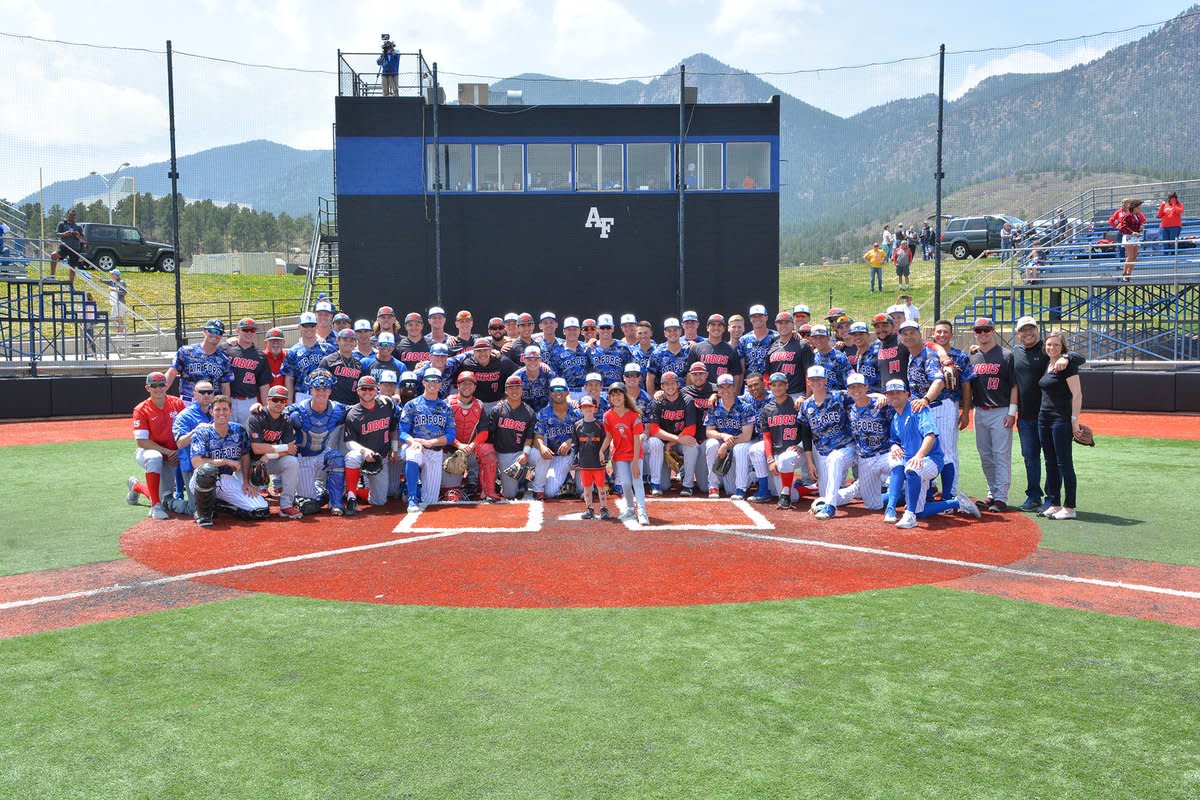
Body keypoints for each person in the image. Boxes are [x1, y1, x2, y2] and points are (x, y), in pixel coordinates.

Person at [883, 379, 981, 529]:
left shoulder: (918, 409)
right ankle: (958, 502)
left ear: (906, 394)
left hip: (931, 460)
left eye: (898, 392)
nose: (894, 396)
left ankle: (909, 516)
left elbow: (930, 435)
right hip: (916, 464)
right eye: (890, 393)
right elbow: (895, 439)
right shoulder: (896, 418)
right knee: (920, 511)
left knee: (911, 469)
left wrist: (919, 455)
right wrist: (895, 445)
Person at [1010, 315, 1084, 512]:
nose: (1028, 333)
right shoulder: (1015, 352)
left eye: (1031, 329)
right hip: (1027, 416)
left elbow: (1079, 358)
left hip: (1052, 416)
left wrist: (1067, 357)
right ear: (1018, 334)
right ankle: (1034, 496)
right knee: (1031, 457)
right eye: (1023, 330)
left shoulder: (1048, 349)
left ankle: (1054, 499)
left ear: (1037, 330)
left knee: (1055, 459)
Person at [188, 394, 269, 527]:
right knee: (208, 469)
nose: (221, 413)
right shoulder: (202, 432)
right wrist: (225, 461)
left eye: (225, 409)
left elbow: (245, 455)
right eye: (218, 409)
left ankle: (222, 505)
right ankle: (204, 514)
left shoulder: (239, 430)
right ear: (211, 411)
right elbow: (197, 463)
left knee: (260, 510)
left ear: (231, 411)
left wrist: (245, 482)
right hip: (201, 480)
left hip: (224, 479)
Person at [967, 318, 1015, 512]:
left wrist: (1012, 411)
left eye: (986, 330)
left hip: (1001, 409)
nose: (982, 333)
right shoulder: (973, 356)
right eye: (979, 330)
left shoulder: (1006, 355)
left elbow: (1014, 385)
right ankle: (991, 493)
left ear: (993, 331)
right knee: (985, 455)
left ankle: (1001, 497)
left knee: (1001, 455)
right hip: (980, 410)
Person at [287, 369, 349, 516]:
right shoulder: (297, 410)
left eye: (325, 389)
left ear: (330, 390)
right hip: (303, 458)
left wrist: (383, 400)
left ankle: (336, 503)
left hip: (322, 453)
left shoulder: (338, 409)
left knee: (337, 457)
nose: (321, 392)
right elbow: (274, 415)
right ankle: (319, 492)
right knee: (311, 503)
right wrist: (259, 409)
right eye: (317, 389)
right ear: (310, 389)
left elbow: (360, 411)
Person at [126, 371, 186, 520]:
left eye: (161, 385)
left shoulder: (178, 403)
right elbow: (142, 442)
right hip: (149, 452)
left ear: (166, 386)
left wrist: (178, 452)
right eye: (154, 386)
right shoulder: (141, 409)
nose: (158, 389)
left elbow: (186, 430)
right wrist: (169, 452)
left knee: (163, 495)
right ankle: (155, 507)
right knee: (154, 457)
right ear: (147, 388)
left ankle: (135, 486)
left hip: (172, 454)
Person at [799, 365, 855, 520]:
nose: (816, 382)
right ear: (808, 382)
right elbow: (806, 435)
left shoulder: (840, 396)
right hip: (822, 453)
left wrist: (880, 396)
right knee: (825, 495)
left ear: (825, 380)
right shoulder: (806, 405)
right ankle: (855, 489)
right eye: (812, 379)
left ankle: (830, 508)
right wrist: (810, 462)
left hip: (846, 448)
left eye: (819, 379)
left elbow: (862, 396)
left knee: (835, 458)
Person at [1038, 332, 1083, 520]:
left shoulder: (1067, 365)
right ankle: (1055, 503)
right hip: (1044, 418)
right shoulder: (1047, 364)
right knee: (1050, 462)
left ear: (1062, 347)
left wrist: (1074, 421)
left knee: (1064, 463)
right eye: (1049, 344)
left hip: (1061, 420)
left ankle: (1070, 507)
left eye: (1056, 345)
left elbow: (1078, 395)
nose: (1051, 348)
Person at [747, 372, 810, 508]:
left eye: (780, 384)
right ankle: (810, 489)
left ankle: (786, 496)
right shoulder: (767, 409)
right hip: (777, 453)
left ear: (787, 385)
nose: (777, 388)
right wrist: (770, 460)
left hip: (795, 452)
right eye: (774, 385)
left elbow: (806, 431)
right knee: (778, 491)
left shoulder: (796, 404)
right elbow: (767, 437)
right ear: (770, 387)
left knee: (785, 460)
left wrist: (800, 445)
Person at [399, 369, 456, 513]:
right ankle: (412, 497)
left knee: (430, 500)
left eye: (436, 380)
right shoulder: (412, 404)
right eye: (429, 380)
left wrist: (431, 443)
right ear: (423, 382)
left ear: (440, 384)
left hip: (434, 449)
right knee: (413, 453)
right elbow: (402, 432)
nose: (432, 383)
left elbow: (450, 435)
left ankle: (414, 489)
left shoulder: (446, 407)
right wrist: (413, 441)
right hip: (416, 446)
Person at [342, 374, 398, 513]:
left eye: (371, 389)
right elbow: (349, 442)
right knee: (352, 456)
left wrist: (394, 448)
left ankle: (357, 490)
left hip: (380, 457)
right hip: (363, 456)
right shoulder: (353, 414)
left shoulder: (387, 405)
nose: (367, 392)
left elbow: (393, 429)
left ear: (377, 390)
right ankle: (351, 497)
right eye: (364, 389)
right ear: (358, 390)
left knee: (379, 501)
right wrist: (364, 451)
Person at [247, 385, 303, 519]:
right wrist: (281, 449)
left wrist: (268, 455)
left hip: (266, 461)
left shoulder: (286, 419)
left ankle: (286, 506)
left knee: (292, 462)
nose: (278, 403)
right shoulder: (257, 416)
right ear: (267, 400)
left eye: (282, 400)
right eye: (275, 399)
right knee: (253, 508)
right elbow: (256, 448)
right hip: (248, 463)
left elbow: (291, 449)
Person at [645, 371, 700, 496]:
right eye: (666, 384)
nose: (670, 386)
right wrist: (671, 442)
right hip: (663, 444)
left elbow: (691, 429)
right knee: (653, 442)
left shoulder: (687, 400)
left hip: (679, 441)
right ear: (662, 386)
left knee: (692, 445)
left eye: (673, 383)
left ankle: (687, 485)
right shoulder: (657, 401)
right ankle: (656, 484)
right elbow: (653, 430)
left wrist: (672, 443)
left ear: (678, 384)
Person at [602, 381, 649, 525]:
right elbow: (609, 436)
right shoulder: (607, 416)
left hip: (634, 453)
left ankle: (642, 511)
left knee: (637, 481)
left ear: (624, 396)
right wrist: (601, 450)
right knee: (626, 483)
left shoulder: (634, 416)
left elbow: (637, 440)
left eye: (619, 394)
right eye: (613, 395)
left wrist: (635, 462)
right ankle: (629, 508)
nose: (616, 397)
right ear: (609, 398)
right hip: (619, 454)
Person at [447, 371, 500, 501]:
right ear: (457, 385)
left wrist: (471, 446)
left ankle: (481, 486)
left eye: (470, 384)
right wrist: (458, 445)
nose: (467, 386)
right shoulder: (447, 403)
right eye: (463, 383)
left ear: (475, 387)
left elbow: (484, 432)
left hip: (469, 448)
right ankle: (454, 483)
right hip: (449, 449)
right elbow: (442, 430)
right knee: (451, 490)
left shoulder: (479, 405)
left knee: (487, 451)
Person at [484, 374, 537, 499]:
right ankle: (501, 478)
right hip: (504, 453)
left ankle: (531, 480)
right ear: (506, 390)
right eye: (511, 388)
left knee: (540, 457)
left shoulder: (529, 412)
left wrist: (525, 453)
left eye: (517, 387)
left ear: (522, 389)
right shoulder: (497, 410)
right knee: (510, 494)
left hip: (520, 452)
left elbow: (530, 437)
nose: (514, 391)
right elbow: (490, 435)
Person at [703, 373, 755, 500]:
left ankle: (754, 476)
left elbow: (746, 436)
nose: (725, 390)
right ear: (718, 389)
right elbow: (709, 431)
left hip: (739, 444)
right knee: (711, 443)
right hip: (724, 442)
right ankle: (713, 485)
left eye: (728, 387)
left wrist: (726, 445)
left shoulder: (745, 407)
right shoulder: (714, 406)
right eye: (722, 387)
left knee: (731, 489)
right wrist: (722, 435)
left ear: (733, 388)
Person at [532, 377, 581, 500]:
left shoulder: (577, 412)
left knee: (583, 490)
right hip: (558, 457)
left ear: (567, 392)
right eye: (554, 389)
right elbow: (538, 436)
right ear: (550, 393)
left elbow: (588, 433)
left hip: (578, 456)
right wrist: (542, 446)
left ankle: (576, 482)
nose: (558, 392)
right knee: (549, 492)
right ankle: (566, 483)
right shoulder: (543, 413)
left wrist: (570, 442)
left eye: (561, 389)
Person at [165, 319, 233, 403]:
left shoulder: (224, 359)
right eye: (212, 330)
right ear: (204, 331)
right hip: (188, 401)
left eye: (219, 332)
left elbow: (225, 387)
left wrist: (226, 405)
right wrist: (159, 393)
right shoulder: (186, 351)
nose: (215, 334)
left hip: (211, 404)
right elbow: (171, 373)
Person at [223, 317, 272, 424]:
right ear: (238, 331)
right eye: (245, 330)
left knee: (248, 435)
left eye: (252, 330)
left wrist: (266, 408)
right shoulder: (226, 349)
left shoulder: (260, 356)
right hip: (228, 399)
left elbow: (264, 385)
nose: (249, 333)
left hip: (249, 401)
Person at [282, 312, 336, 403]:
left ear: (316, 326)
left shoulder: (328, 349)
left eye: (312, 325)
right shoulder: (293, 351)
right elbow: (289, 379)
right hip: (302, 394)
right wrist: (289, 403)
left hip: (325, 392)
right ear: (299, 327)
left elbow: (335, 374)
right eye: (305, 325)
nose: (309, 329)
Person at [573, 396, 610, 520]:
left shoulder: (600, 425)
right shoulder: (577, 426)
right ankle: (589, 508)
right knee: (587, 488)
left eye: (590, 407)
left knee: (601, 487)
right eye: (584, 407)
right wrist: (575, 457)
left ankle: (604, 508)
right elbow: (575, 444)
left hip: (598, 463)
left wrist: (605, 456)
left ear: (595, 408)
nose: (588, 409)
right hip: (585, 463)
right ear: (580, 409)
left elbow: (606, 442)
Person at [687, 313, 743, 393]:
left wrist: (735, 394)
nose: (716, 327)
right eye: (713, 324)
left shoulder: (731, 349)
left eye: (719, 325)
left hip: (723, 394)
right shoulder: (697, 348)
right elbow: (689, 374)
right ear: (707, 328)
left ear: (724, 328)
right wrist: (689, 395)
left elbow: (737, 375)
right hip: (701, 394)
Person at [647, 317, 690, 395]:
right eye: (669, 331)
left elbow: (691, 375)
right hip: (664, 398)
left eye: (675, 330)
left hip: (684, 397)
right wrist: (652, 399)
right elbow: (650, 378)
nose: (672, 333)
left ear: (680, 331)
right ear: (665, 333)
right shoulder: (657, 353)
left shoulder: (688, 350)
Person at [1108, 198, 1146, 282]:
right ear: (1135, 207)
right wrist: (1132, 233)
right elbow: (1123, 227)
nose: (1140, 208)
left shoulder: (1137, 215)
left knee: (1134, 256)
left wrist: (1140, 228)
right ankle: (1124, 274)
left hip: (1135, 237)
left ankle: (1129, 274)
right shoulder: (1128, 215)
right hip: (1129, 237)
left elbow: (1139, 224)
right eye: (1139, 206)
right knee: (1130, 256)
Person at [738, 304, 777, 378]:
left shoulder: (776, 337)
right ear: (750, 319)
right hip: (750, 384)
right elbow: (742, 368)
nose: (757, 318)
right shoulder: (744, 339)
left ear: (766, 317)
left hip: (772, 383)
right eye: (754, 316)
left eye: (760, 315)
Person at [51, 208, 87, 281]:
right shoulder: (62, 224)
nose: (72, 216)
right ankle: (52, 276)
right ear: (67, 215)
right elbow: (57, 234)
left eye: (73, 215)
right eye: (70, 215)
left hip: (75, 248)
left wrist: (78, 236)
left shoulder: (78, 227)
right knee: (54, 255)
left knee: (72, 266)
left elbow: (84, 240)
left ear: (75, 216)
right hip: (64, 247)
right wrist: (64, 234)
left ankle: (71, 283)